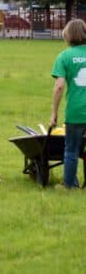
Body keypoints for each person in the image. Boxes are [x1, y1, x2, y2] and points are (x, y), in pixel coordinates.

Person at [50, 18, 86, 188]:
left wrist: (54, 113)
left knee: (71, 150)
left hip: (76, 112)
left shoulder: (64, 56)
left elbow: (59, 87)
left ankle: (69, 186)